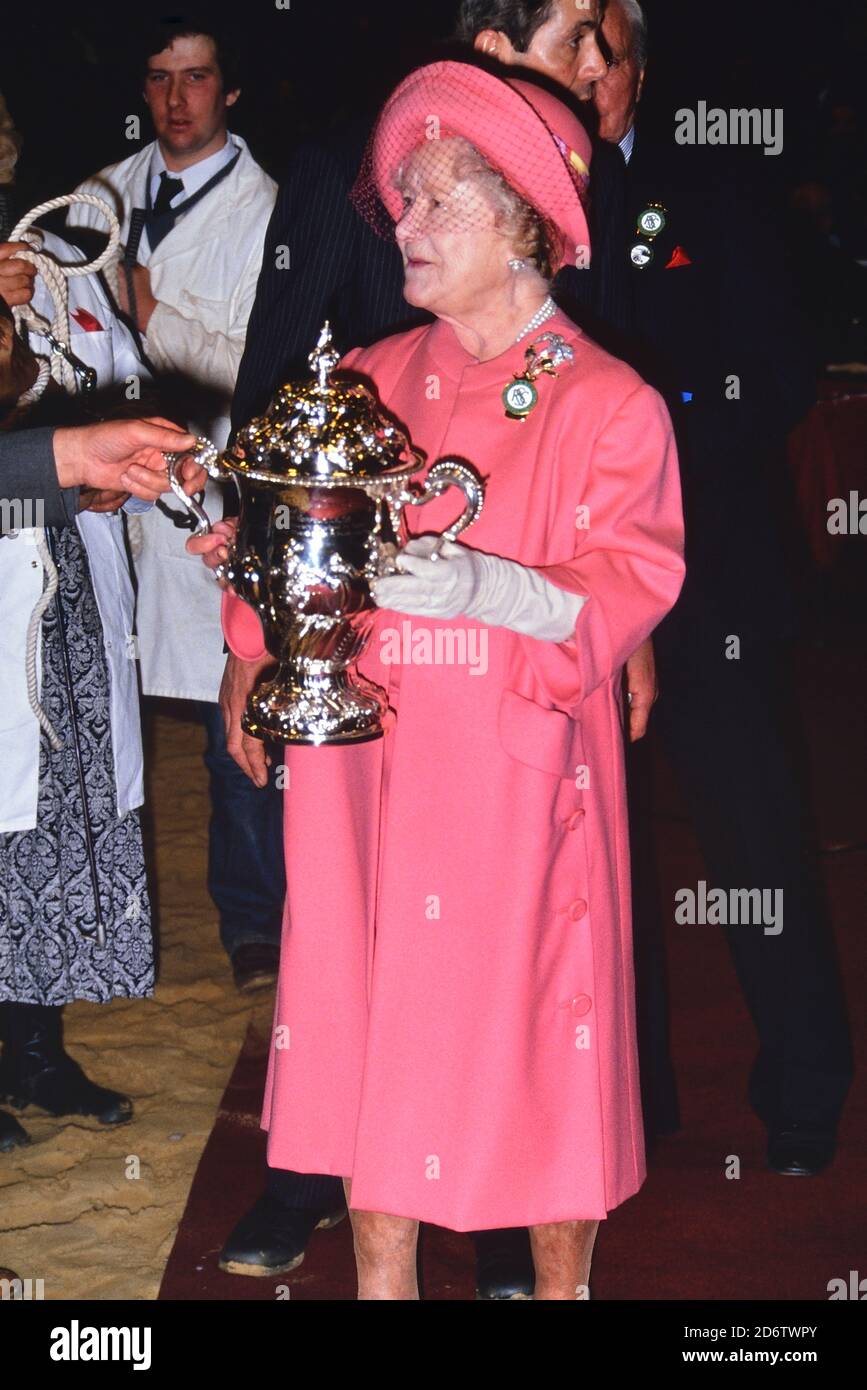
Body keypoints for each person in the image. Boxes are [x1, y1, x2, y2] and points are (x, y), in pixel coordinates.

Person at [193, 60, 684, 1300]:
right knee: (373, 1059)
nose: (402, 226)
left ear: (527, 223)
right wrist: (252, 626)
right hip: (369, 785)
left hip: (512, 803)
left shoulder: (612, 407)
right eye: (403, 200)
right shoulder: (367, 379)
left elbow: (627, 583)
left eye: (439, 203)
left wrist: (489, 589)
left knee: (534, 1075)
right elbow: (293, 549)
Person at [592, 0, 853, 1174]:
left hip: (707, 581)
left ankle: (804, 1095)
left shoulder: (714, 192)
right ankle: (626, 1111)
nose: (588, 71)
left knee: (755, 841)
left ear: (641, 72)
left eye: (611, 49)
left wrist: (656, 430)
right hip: (555, 591)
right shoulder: (500, 210)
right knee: (585, 854)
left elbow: (784, 373)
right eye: (571, 46)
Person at [66, 17, 279, 995]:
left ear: (230, 89)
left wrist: (156, 315)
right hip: (113, 496)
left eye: (197, 77)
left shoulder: (265, 208)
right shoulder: (102, 196)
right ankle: (104, 927)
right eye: (160, 79)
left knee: (225, 717)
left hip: (210, 489)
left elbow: (256, 370)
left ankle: (255, 923)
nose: (177, 98)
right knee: (104, 710)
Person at [0, 295, 200, 1151]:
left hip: (59, 619)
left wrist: (107, 486)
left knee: (43, 840)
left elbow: (25, 482)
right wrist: (73, 457)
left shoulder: (50, 304)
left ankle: (33, 1057)